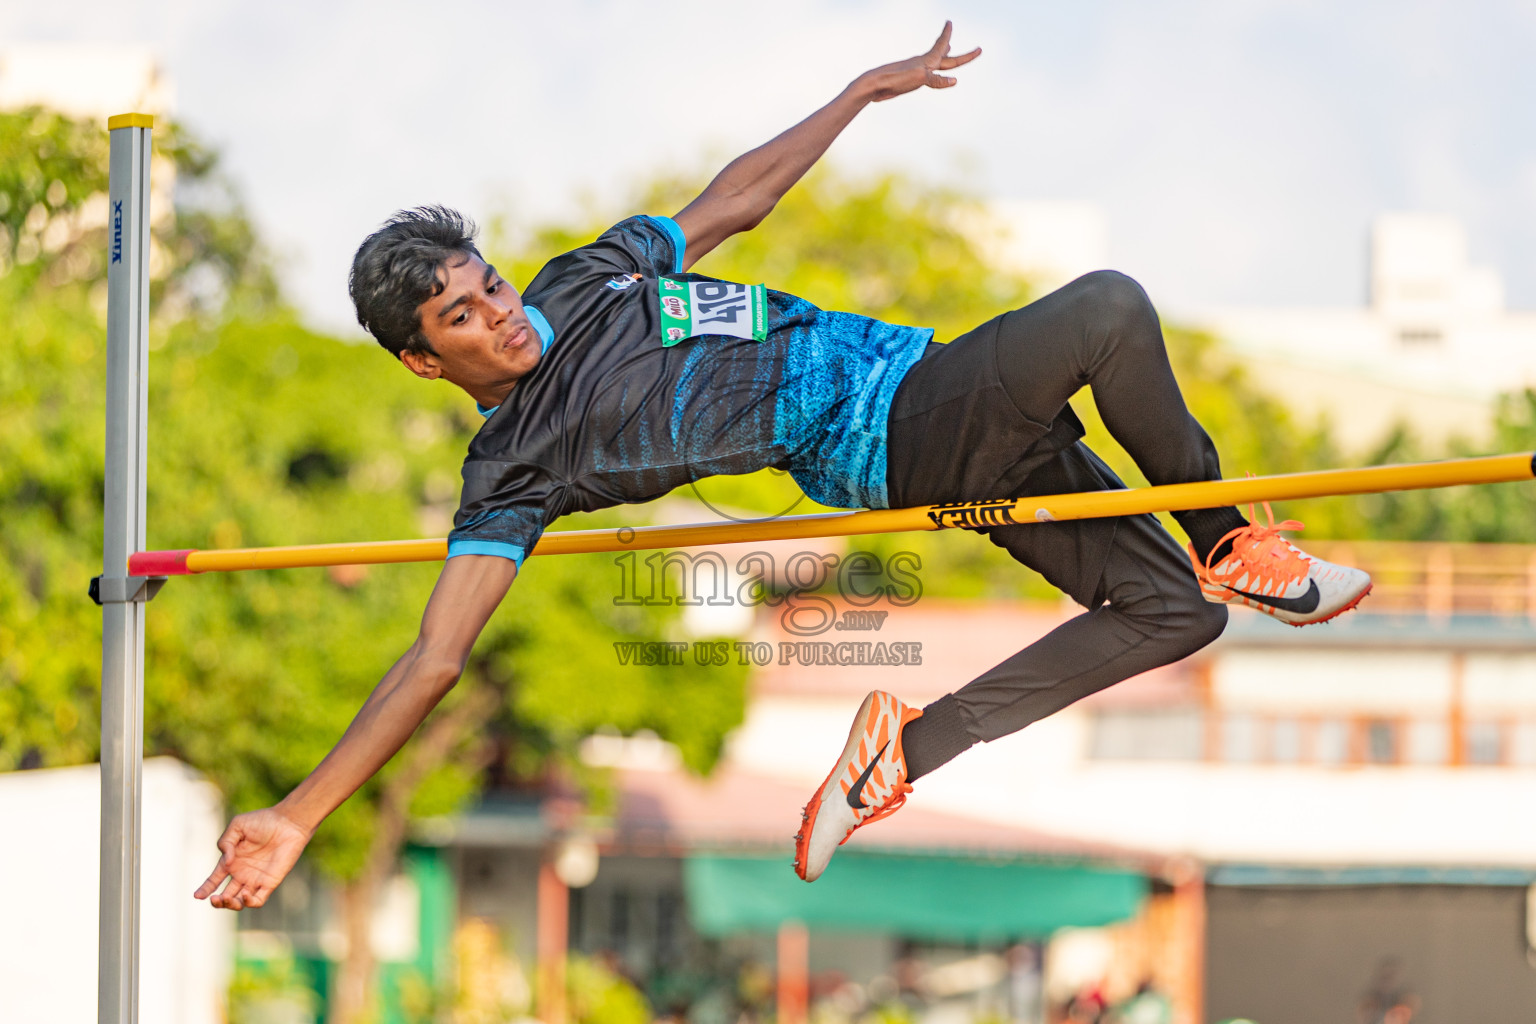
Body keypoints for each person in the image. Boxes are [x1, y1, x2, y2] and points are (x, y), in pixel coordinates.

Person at [194, 22, 1371, 910]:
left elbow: (737, 200)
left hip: (945, 397)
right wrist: (298, 814)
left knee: (1171, 614)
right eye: (461, 317)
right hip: (910, 430)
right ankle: (1234, 539)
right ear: (421, 359)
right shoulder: (514, 468)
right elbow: (434, 657)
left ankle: (902, 753)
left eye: (486, 283)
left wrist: (860, 92)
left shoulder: (578, 279)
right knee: (1109, 309)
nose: (498, 315)